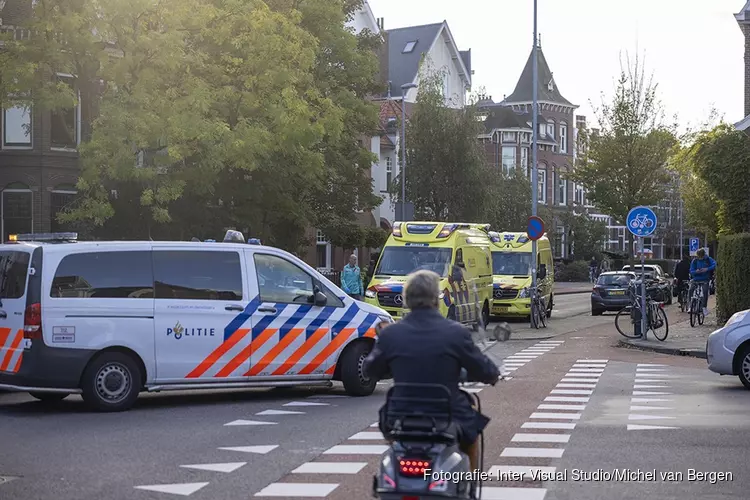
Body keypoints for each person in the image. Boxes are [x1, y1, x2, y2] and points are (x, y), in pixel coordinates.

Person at [362, 270, 500, 471]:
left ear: (407, 300)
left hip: (400, 415)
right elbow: (485, 370)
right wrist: (492, 375)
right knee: (472, 436)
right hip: (448, 414)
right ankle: (469, 483)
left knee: (393, 437)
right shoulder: (456, 332)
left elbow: (369, 369)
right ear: (436, 299)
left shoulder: (391, 333)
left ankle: (397, 463)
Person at [689, 249, 716, 316]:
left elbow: (715, 264)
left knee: (705, 291)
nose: (700, 258)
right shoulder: (694, 261)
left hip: (705, 279)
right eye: (699, 257)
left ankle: (704, 307)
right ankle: (690, 306)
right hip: (695, 279)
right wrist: (696, 271)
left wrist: (707, 269)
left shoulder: (708, 259)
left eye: (701, 257)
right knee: (691, 290)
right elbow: (691, 270)